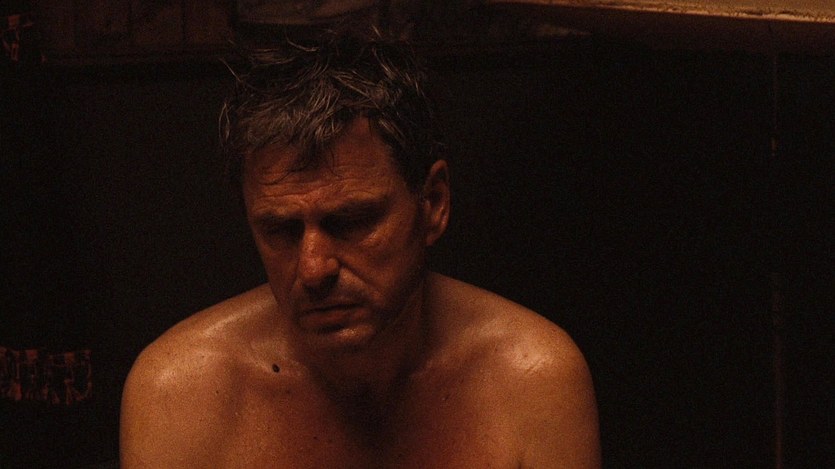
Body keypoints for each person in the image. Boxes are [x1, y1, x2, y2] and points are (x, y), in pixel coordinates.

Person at [119, 30, 600, 468]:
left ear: (433, 203)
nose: (314, 269)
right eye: (281, 230)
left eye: (351, 222)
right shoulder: (182, 394)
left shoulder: (531, 379)